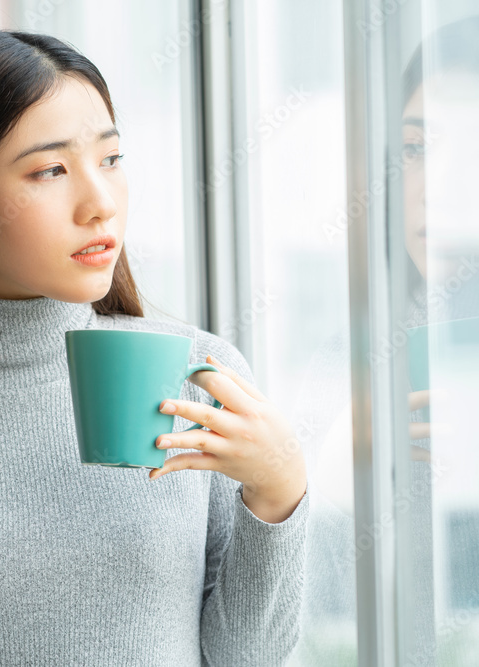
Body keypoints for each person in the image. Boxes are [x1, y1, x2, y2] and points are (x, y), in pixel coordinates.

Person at [0, 29, 309, 666]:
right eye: (51, 170)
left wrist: (279, 490)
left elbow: (245, 659)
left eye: (111, 159)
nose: (100, 204)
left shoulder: (198, 377)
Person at [290, 14, 479, 664]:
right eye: (417, 148)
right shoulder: (354, 353)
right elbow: (310, 629)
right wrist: (344, 481)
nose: (437, 189)